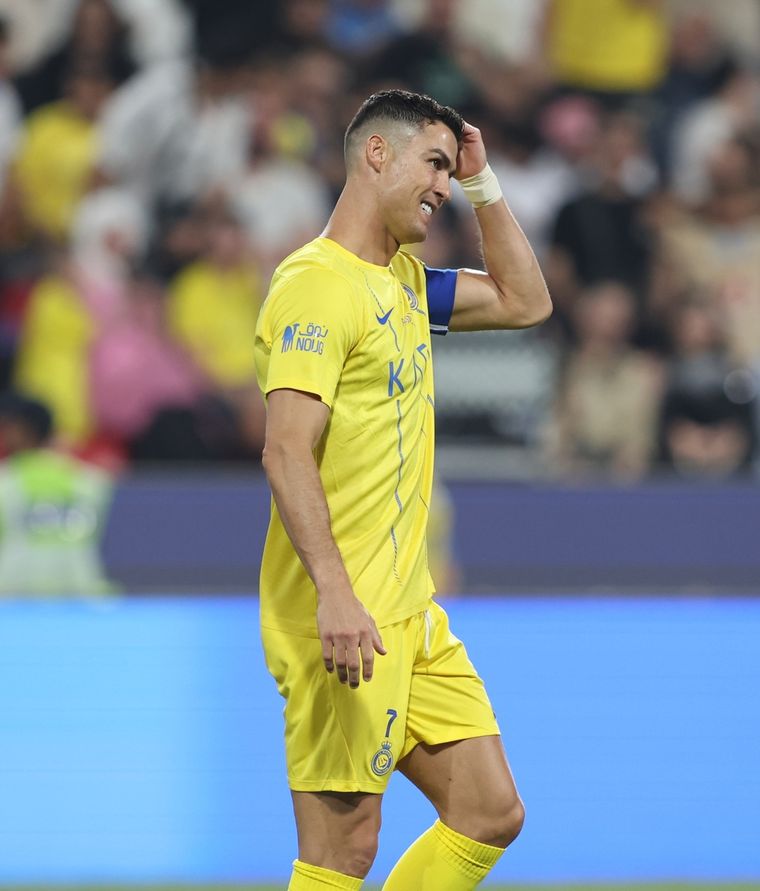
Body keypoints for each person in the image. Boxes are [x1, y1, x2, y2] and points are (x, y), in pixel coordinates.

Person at [253, 89, 551, 890]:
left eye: (452, 173)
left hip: (410, 614)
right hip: (342, 614)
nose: (444, 187)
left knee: (491, 811)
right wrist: (336, 596)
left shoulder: (409, 285)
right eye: (435, 164)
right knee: (341, 851)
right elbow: (286, 452)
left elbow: (528, 300)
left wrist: (486, 184)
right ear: (375, 155)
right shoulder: (316, 285)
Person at [0, 392, 114, 595]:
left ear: (25, 431)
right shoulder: (92, 482)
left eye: (8, 427)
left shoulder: (5, 482)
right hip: (80, 601)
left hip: (13, 604)